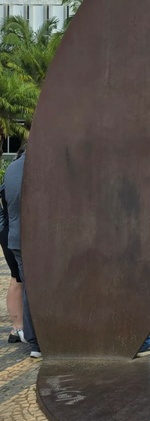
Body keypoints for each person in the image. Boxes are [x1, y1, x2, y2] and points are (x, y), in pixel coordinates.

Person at [2, 146, 40, 358]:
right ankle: (42, 340)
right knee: (39, 290)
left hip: (16, 237)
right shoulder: (39, 167)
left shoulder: (12, 168)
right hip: (36, 239)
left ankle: (35, 343)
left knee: (28, 289)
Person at [0, 182, 23, 343]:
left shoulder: (7, 180)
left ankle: (18, 327)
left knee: (16, 279)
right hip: (10, 232)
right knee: (17, 279)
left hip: (8, 231)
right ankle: (18, 327)